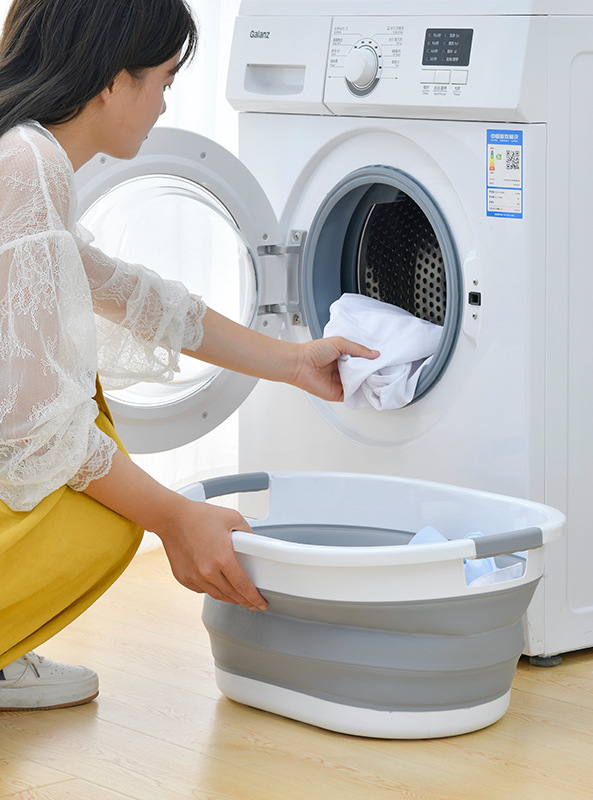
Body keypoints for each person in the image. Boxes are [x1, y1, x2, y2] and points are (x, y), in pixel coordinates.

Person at [0, 0, 377, 711]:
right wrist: (175, 517)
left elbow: (134, 296)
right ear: (113, 80)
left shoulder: (21, 150)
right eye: (165, 79)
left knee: (92, 436)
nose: (166, 100)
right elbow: (31, 424)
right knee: (106, 511)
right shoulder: (27, 167)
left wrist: (295, 362)